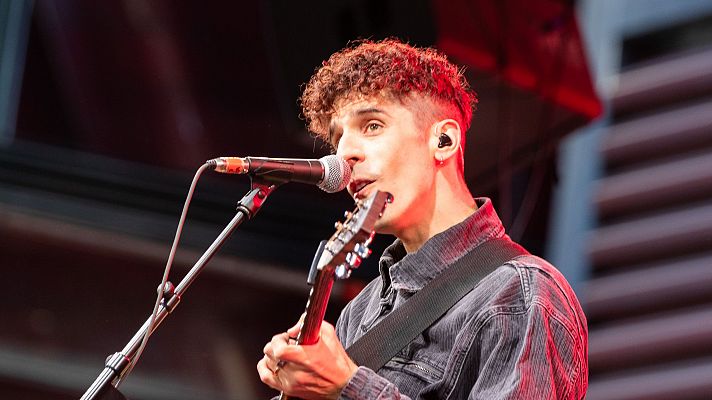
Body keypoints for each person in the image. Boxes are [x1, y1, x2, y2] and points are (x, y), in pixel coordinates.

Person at [257, 38, 588, 400]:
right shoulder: (359, 312)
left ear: (443, 140)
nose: (344, 154)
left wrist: (349, 386)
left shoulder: (522, 293)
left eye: (372, 125)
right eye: (338, 139)